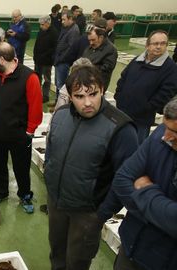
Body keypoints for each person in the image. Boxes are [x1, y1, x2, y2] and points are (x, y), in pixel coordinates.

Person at [45, 65, 139, 270]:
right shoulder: (60, 115)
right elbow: (51, 150)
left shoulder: (120, 127)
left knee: (77, 262)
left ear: (103, 89)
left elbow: (125, 179)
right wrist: (50, 184)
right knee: (57, 254)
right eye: (79, 96)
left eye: (93, 94)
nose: (87, 103)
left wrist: (101, 213)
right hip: (57, 203)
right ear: (69, 96)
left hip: (87, 213)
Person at [109, 98, 177, 270]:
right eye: (165, 127)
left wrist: (146, 192)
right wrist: (160, 216)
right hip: (131, 245)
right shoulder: (160, 135)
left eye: (175, 132)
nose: (166, 137)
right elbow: (122, 179)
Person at [0, 41, 42, 213]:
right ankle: (1, 191)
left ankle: (24, 195)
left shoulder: (29, 77)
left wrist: (29, 131)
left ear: (2, 59)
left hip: (19, 134)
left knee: (21, 167)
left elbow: (36, 107)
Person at [115, 30, 177, 143]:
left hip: (141, 120)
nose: (159, 47)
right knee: (117, 144)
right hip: (122, 112)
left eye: (163, 43)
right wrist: (118, 96)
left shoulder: (170, 68)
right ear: (147, 45)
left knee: (134, 148)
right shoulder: (138, 60)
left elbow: (167, 93)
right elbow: (123, 78)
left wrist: (146, 107)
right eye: (155, 43)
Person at [82, 25, 118, 92]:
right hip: (85, 82)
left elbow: (106, 69)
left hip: (97, 86)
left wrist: (88, 68)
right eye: (89, 40)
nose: (91, 43)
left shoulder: (111, 50)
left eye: (93, 40)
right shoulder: (91, 47)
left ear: (101, 37)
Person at [54, 10, 80, 97]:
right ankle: (57, 102)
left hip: (64, 62)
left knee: (61, 85)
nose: (62, 21)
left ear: (71, 19)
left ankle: (61, 104)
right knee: (58, 84)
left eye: (64, 19)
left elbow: (70, 48)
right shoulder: (66, 28)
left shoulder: (74, 30)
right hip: (59, 60)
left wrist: (60, 59)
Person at [33, 15, 58, 103]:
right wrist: (35, 55)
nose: (41, 26)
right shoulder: (41, 31)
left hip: (47, 61)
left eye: (42, 24)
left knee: (47, 79)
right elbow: (37, 43)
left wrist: (45, 56)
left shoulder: (54, 33)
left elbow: (53, 48)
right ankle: (36, 93)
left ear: (48, 23)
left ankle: (45, 95)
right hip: (38, 60)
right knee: (36, 78)